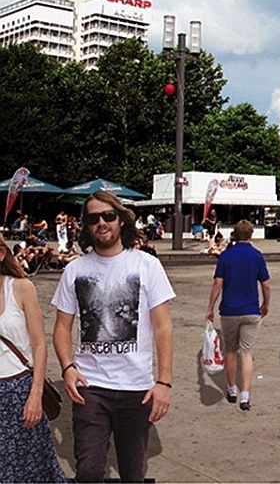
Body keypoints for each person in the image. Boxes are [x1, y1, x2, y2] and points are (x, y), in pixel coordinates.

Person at [52, 190, 175, 483]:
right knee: (89, 471)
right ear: (86, 225)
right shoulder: (74, 270)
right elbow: (60, 327)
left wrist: (164, 382)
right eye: (93, 218)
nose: (102, 223)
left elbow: (163, 327)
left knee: (133, 473)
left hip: (137, 389)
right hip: (90, 388)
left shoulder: (146, 265)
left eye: (108, 216)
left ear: (121, 220)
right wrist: (68, 368)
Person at [0, 233, 66, 483]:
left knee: (34, 468)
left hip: (21, 391)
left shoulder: (21, 287)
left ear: (1, 254)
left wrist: (36, 395)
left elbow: (39, 345)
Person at [206, 219, 270, 411]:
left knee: (231, 351)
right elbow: (266, 284)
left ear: (234, 235)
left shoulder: (226, 256)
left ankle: (232, 389)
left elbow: (218, 283)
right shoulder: (257, 256)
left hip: (229, 310)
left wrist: (210, 307)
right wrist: (265, 304)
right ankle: (245, 395)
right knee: (247, 353)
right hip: (251, 310)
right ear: (251, 235)